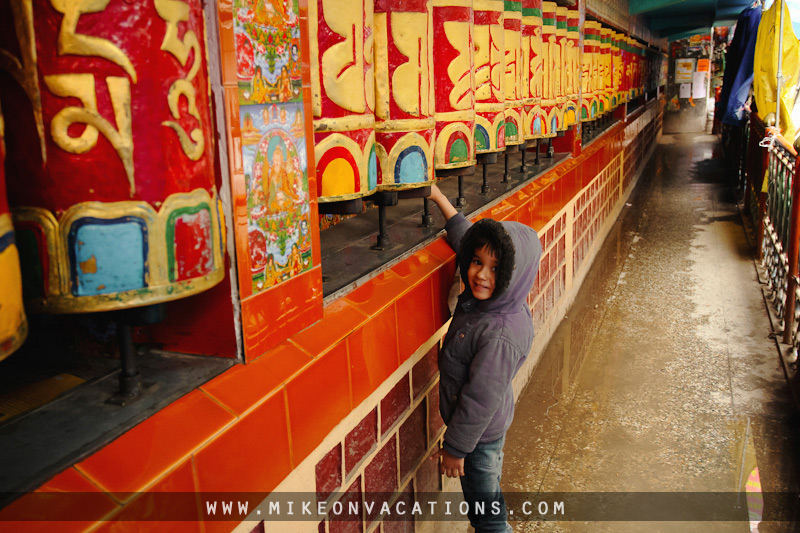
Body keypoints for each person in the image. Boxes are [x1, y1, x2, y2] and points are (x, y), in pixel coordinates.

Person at [427, 183, 541, 533]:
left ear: (511, 275)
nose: (479, 274)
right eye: (477, 263)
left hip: (477, 439)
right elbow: (466, 239)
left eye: (494, 269)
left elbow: (480, 400)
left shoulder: (500, 334)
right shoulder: (500, 299)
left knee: (487, 519)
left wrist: (457, 450)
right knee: (488, 497)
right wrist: (437, 196)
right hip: (483, 434)